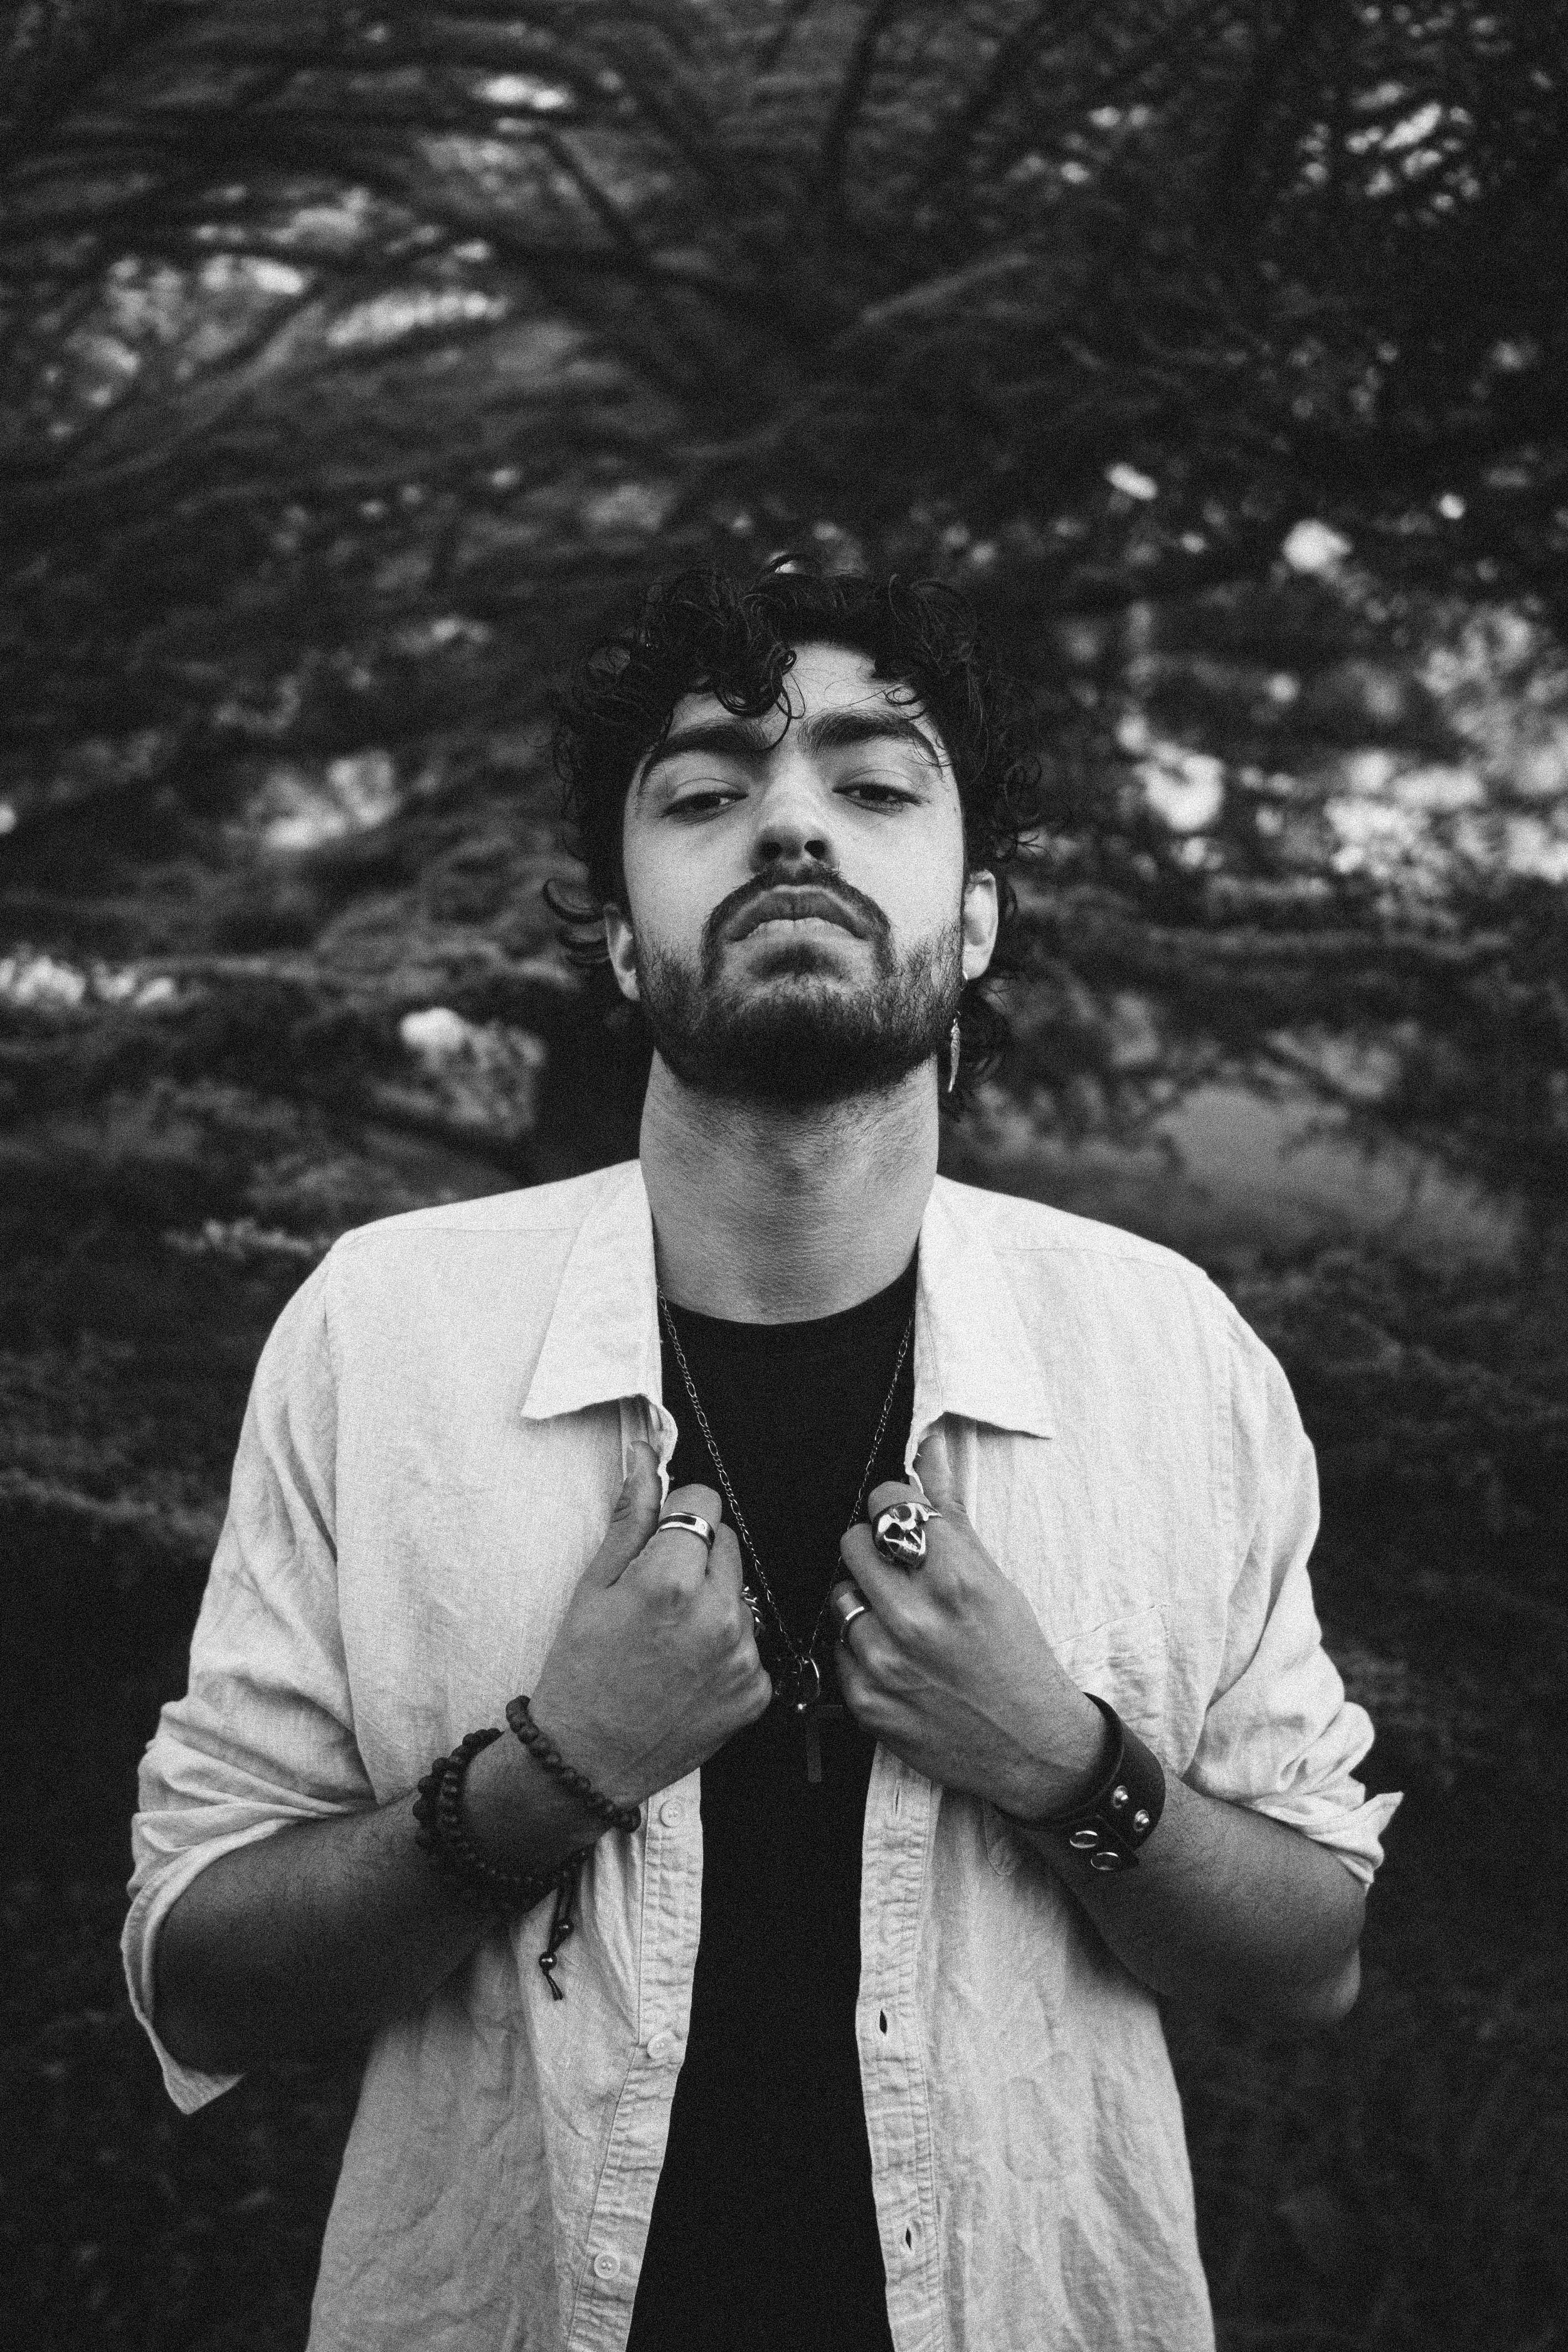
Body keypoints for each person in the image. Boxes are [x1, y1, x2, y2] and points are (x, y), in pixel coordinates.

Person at [125, 564, 1399, 2352]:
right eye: (706, 792)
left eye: (872, 784)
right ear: (618, 939)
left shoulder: (1165, 1354)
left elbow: (1309, 1960)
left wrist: (1059, 1757)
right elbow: (201, 1970)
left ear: (974, 920)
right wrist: (548, 1779)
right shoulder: (385, 1334)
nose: (792, 825)